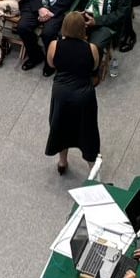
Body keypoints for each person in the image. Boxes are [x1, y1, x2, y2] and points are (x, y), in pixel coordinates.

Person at [44, 11, 102, 175]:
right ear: (83, 28)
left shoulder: (54, 45)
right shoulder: (92, 49)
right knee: (88, 130)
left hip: (62, 93)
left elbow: (51, 64)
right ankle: (92, 169)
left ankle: (62, 161)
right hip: (84, 95)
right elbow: (94, 67)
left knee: (61, 126)